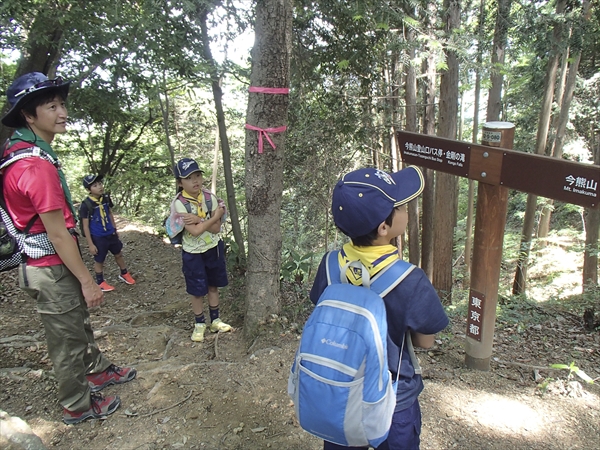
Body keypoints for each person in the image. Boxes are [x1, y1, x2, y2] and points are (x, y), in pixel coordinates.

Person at [1, 72, 136, 424]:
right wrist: (88, 282)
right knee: (66, 340)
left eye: (62, 104)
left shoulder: (23, 153)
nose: (62, 112)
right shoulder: (34, 166)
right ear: (29, 116)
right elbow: (59, 234)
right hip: (49, 266)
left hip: (49, 263)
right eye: (52, 106)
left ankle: (96, 370)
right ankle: (76, 405)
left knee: (78, 326)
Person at [310, 166, 449, 450]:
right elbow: (426, 341)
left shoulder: (328, 265)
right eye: (399, 206)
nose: (405, 209)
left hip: (342, 393)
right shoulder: (410, 279)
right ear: (384, 227)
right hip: (393, 400)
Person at [173, 157, 231, 342]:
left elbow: (215, 229)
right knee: (197, 289)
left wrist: (199, 219)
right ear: (180, 182)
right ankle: (199, 323)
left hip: (213, 248)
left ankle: (215, 320)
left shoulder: (209, 198)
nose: (195, 181)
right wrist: (216, 216)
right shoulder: (179, 204)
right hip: (192, 252)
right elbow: (195, 232)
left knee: (213, 284)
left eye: (197, 175)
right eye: (189, 178)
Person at [79, 174, 136, 291]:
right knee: (100, 260)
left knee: (118, 253)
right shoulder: (86, 205)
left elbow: (109, 213)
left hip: (110, 233)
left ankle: (124, 273)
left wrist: (114, 229)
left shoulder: (105, 198)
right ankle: (100, 282)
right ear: (89, 190)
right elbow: (85, 226)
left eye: (100, 184)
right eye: (95, 185)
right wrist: (90, 244)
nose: (99, 187)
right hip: (98, 236)